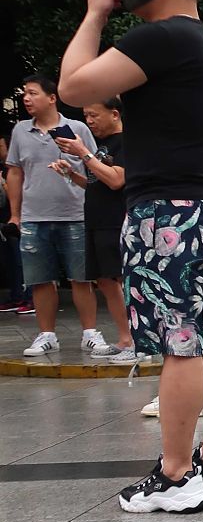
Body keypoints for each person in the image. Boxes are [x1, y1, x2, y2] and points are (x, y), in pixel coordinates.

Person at [59, 0, 203, 511]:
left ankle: (175, 476)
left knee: (179, 342)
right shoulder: (194, 41)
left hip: (164, 212)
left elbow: (71, 86)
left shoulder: (163, 37)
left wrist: (94, 15)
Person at [4, 74, 112, 357]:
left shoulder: (76, 128)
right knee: (40, 278)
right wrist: (15, 215)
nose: (26, 98)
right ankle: (47, 334)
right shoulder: (19, 131)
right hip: (33, 216)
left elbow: (95, 165)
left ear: (52, 98)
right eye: (24, 94)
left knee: (82, 278)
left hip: (75, 214)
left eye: (32, 93)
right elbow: (14, 171)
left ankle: (90, 333)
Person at [50, 97, 138, 363]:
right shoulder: (102, 146)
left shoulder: (128, 142)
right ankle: (125, 339)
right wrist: (70, 174)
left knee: (120, 280)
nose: (89, 121)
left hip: (117, 221)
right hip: (96, 220)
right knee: (105, 281)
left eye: (93, 115)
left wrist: (83, 154)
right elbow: (95, 183)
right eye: (86, 115)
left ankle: (136, 341)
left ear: (114, 114)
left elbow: (115, 180)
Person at [0, 136, 33, 314]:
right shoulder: (9, 170)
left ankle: (29, 298)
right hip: (9, 220)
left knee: (23, 260)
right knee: (12, 261)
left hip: (24, 217)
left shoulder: (17, 169)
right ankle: (16, 296)